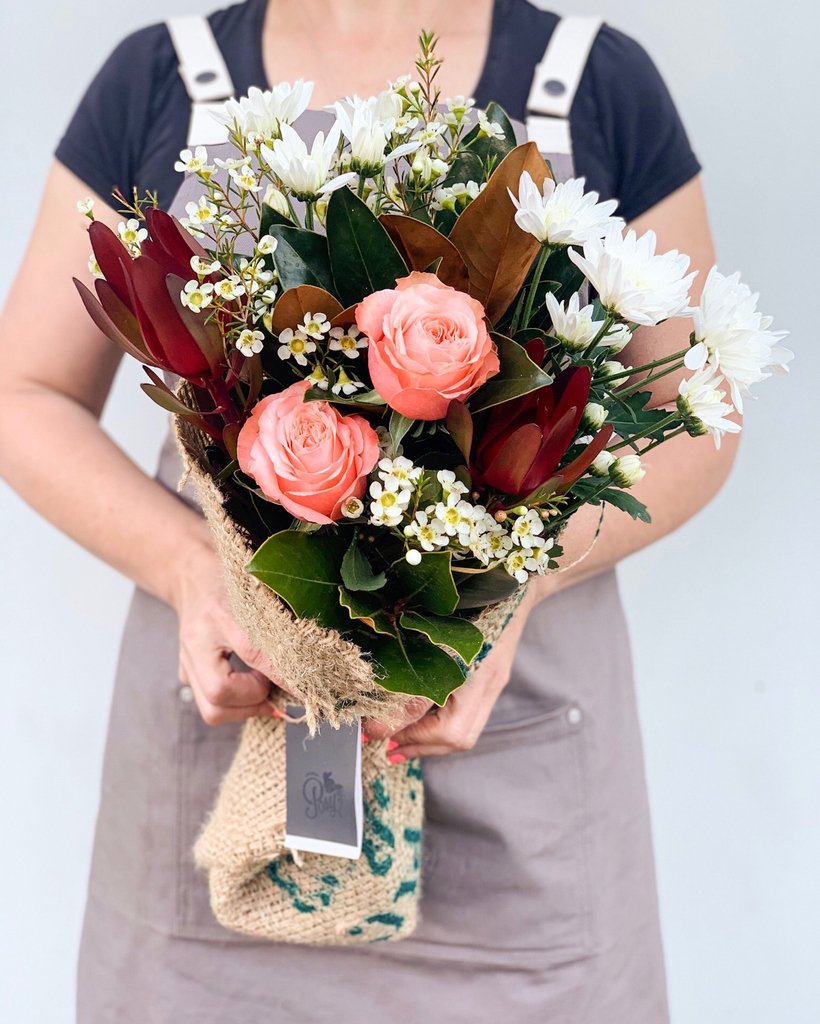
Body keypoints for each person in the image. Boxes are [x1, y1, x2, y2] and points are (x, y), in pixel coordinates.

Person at [0, 1, 738, 1021]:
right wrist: (193, 568)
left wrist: (518, 587)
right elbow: (24, 394)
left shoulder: (597, 85)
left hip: (518, 813)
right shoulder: (157, 81)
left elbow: (696, 423)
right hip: (227, 799)